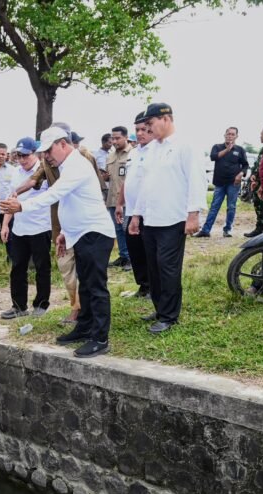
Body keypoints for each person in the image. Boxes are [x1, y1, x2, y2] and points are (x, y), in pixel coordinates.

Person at [2, 127, 115, 358]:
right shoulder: (65, 166)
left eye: (48, 150)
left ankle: (100, 338)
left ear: (63, 144)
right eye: (42, 152)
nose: (46, 156)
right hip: (81, 233)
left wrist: (22, 205)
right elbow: (68, 201)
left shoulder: (77, 165)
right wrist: (65, 231)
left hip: (94, 232)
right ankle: (84, 327)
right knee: (85, 284)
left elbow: (54, 195)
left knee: (96, 287)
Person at [129, 103, 206, 333]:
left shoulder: (184, 146)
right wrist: (136, 215)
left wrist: (193, 214)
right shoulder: (152, 149)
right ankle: (160, 308)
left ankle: (169, 316)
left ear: (166, 119)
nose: (148, 130)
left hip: (173, 219)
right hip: (151, 219)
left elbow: (196, 180)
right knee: (153, 267)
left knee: (167, 268)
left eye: (151, 124)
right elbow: (145, 185)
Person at [0, 137, 51, 319]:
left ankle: (41, 304)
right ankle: (19, 306)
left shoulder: (44, 171)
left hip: (41, 226)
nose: (22, 159)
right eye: (18, 155)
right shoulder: (15, 173)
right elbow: (11, 200)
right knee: (18, 267)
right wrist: (5, 224)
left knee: (41, 267)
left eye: (25, 155)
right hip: (20, 228)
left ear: (34, 153)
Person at [115, 112, 152, 299]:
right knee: (135, 249)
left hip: (149, 212)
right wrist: (120, 203)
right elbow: (127, 181)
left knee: (149, 252)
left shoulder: (156, 152)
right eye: (137, 130)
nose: (140, 133)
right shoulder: (134, 153)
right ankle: (143, 286)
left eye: (144, 129)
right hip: (132, 210)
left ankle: (153, 287)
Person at [194, 127, 249, 238]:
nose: (230, 136)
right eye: (228, 134)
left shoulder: (240, 150)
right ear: (224, 135)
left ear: (236, 136)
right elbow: (213, 157)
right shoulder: (217, 147)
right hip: (219, 182)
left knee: (231, 207)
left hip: (234, 183)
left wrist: (241, 174)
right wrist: (227, 150)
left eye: (232, 134)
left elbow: (245, 165)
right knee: (214, 206)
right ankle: (205, 230)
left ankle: (227, 230)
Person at [105, 126, 132, 268]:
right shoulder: (110, 156)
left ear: (126, 137)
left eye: (117, 138)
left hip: (127, 200)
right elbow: (110, 178)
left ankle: (131, 258)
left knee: (128, 229)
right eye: (112, 138)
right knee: (118, 229)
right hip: (112, 199)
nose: (114, 141)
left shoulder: (132, 154)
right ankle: (123, 256)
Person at [245, 126, 263, 237]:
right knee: (262, 207)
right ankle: (261, 229)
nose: (260, 136)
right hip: (262, 184)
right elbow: (260, 165)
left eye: (261, 133)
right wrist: (254, 176)